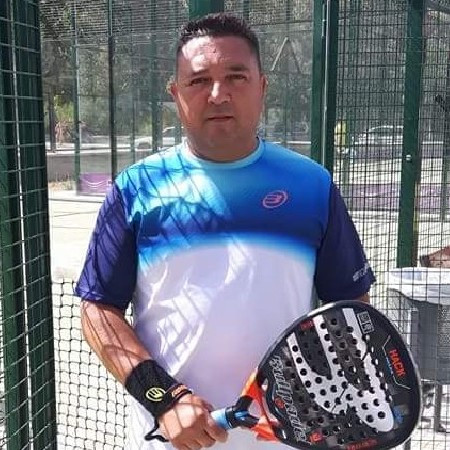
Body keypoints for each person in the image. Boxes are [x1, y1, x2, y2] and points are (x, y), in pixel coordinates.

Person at [75, 12, 375, 450]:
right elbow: (98, 311)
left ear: (262, 87)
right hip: (170, 441)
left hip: (288, 440)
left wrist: (327, 391)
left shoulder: (312, 185)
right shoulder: (135, 188)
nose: (218, 94)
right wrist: (163, 398)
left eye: (236, 76)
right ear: (176, 94)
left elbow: (349, 305)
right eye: (199, 81)